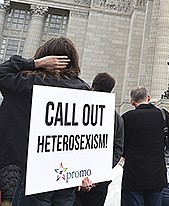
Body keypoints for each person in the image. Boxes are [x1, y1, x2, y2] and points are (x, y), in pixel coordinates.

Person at [0, 36, 90, 206]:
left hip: (36, 173)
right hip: (67, 176)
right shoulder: (83, 89)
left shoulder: (29, 84)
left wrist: (35, 64)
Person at [121, 87, 169, 206]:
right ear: (148, 98)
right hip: (156, 175)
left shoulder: (126, 117)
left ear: (132, 102)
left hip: (133, 175)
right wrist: (162, 145)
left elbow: (120, 145)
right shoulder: (163, 114)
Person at [76, 72, 125, 206]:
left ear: (92, 85)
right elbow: (117, 150)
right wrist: (98, 175)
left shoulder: (77, 109)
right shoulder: (116, 118)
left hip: (75, 178)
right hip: (100, 179)